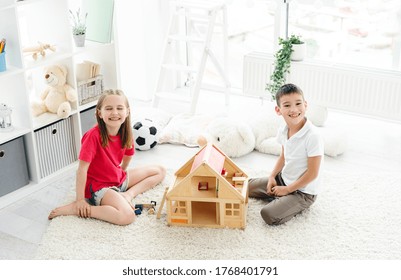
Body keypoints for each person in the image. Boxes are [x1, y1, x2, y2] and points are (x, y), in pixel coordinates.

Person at [48, 89, 166, 225]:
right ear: (100, 113)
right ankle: (82, 209)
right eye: (109, 108)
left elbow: (128, 154)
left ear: (127, 111)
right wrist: (80, 200)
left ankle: (127, 195)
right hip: (99, 186)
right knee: (127, 216)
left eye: (119, 108)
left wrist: (122, 171)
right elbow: (81, 170)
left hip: (117, 179)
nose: (115, 113)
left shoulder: (126, 132)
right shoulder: (92, 136)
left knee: (160, 171)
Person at [248, 83, 324, 225]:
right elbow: (283, 156)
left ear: (305, 105)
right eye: (287, 105)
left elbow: (313, 173)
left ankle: (286, 201)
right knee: (245, 186)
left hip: (303, 192)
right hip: (283, 179)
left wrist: (288, 190)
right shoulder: (283, 130)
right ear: (278, 110)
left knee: (268, 214)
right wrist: (272, 176)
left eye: (298, 103)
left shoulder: (313, 136)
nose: (294, 109)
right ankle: (281, 198)